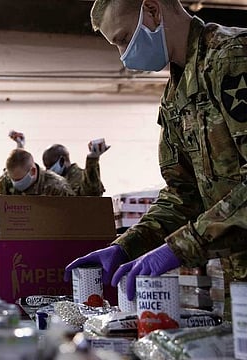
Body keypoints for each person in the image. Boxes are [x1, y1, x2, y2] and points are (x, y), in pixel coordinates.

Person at [64, 0, 247, 319]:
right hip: (239, 280)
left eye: (122, 38)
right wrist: (127, 245)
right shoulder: (176, 95)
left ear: (151, 10)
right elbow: (182, 195)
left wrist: (179, 247)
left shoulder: (231, 58)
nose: (123, 54)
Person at [0, 148, 75, 196]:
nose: (15, 184)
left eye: (20, 180)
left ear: (33, 171)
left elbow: (71, 217)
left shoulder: (57, 187)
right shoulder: (7, 179)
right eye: (13, 179)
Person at [42, 141, 108, 196]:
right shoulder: (52, 182)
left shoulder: (82, 177)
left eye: (50, 165)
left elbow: (91, 192)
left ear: (62, 160)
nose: (48, 170)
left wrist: (92, 160)